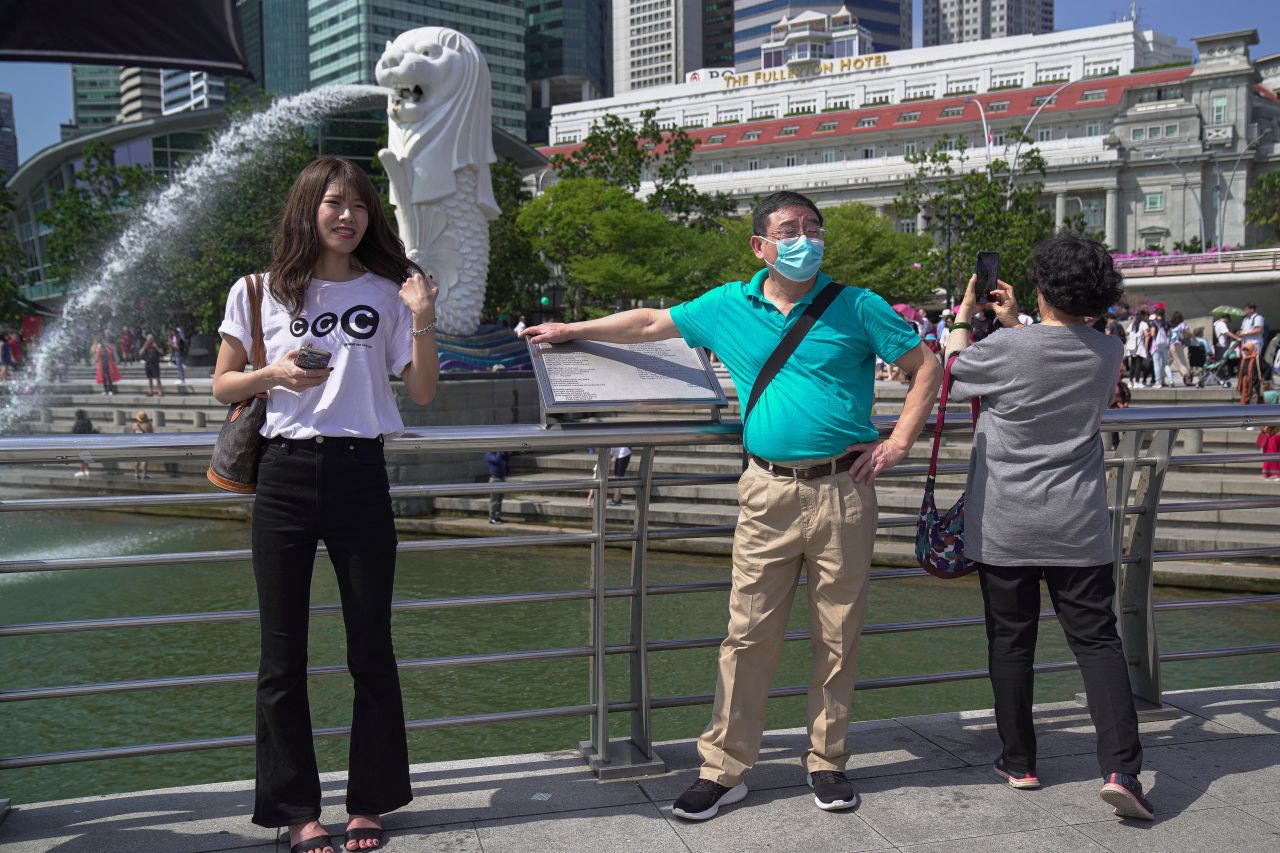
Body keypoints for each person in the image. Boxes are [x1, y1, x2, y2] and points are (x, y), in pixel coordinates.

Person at [521, 190, 941, 820]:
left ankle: (827, 762)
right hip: (767, 488)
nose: (803, 238)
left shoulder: (857, 305)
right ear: (760, 246)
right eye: (788, 229)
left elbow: (926, 366)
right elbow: (648, 323)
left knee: (838, 634)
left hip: (844, 490)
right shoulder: (727, 304)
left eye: (812, 228)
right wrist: (571, 330)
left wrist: (899, 441)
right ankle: (724, 767)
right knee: (746, 634)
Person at [212, 156, 439, 853]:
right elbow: (223, 386)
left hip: (360, 472)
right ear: (307, 207)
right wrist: (273, 372)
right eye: (335, 203)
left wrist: (425, 318)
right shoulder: (259, 290)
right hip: (283, 475)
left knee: (371, 646)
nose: (348, 216)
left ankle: (370, 801)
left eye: (361, 206)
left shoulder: (389, 290)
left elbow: (424, 391)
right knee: (282, 654)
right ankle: (295, 808)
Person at [944, 232, 1153, 821]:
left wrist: (966, 314)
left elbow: (952, 370)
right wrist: (1018, 324)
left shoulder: (1010, 351)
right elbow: (1050, 351)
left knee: (1011, 641)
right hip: (1078, 521)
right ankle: (1122, 768)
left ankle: (1020, 761)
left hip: (1006, 520)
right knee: (1097, 642)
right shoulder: (1106, 348)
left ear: (1042, 286)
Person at [485, 450, 510, 524]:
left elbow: (508, 458)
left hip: (502, 478)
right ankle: (492, 518)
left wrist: (506, 452)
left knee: (499, 500)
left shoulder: (498, 454)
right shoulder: (488, 454)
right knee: (494, 500)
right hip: (494, 479)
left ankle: (497, 517)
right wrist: (500, 451)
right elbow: (497, 460)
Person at [71, 409, 98, 477]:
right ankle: (86, 470)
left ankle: (83, 471)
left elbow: (74, 433)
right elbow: (90, 430)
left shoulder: (77, 423)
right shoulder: (87, 421)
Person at [1169, 311, 1192, 386]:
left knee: (1167, 363)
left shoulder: (1171, 325)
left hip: (1170, 345)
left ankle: (1161, 379)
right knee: (1182, 362)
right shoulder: (1183, 324)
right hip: (1177, 345)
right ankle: (1187, 379)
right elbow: (1188, 333)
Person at [132, 410, 154, 479]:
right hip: (145, 443)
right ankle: (144, 474)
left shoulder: (135, 425)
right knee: (145, 460)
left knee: (137, 459)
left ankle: (136, 474)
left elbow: (133, 434)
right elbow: (152, 434)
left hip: (137, 443)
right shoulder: (148, 425)